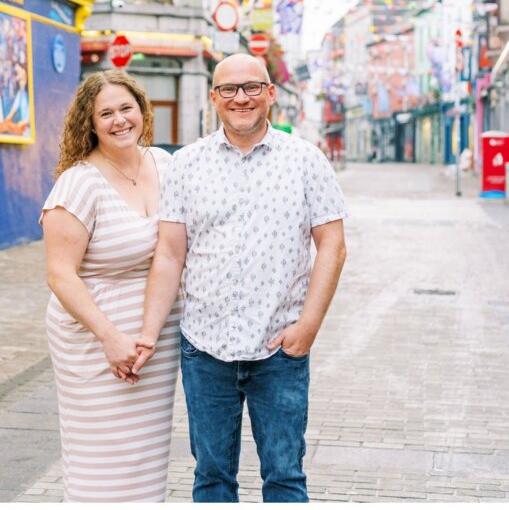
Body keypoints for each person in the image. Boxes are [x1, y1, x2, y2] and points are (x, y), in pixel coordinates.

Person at [132, 54, 348, 502]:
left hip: (279, 350)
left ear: (270, 93)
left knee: (285, 478)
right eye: (229, 89)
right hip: (205, 348)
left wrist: (307, 327)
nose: (241, 97)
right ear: (214, 98)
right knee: (211, 478)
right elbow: (170, 255)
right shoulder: (187, 165)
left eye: (252, 87)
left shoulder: (307, 161)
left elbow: (333, 245)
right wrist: (148, 335)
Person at [40, 69, 182, 502]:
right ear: (90, 122)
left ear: (142, 110)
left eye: (127, 108)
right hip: (95, 338)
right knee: (100, 458)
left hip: (157, 335)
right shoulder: (79, 183)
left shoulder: (165, 164)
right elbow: (60, 273)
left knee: (146, 456)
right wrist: (110, 337)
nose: (119, 120)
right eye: (106, 113)